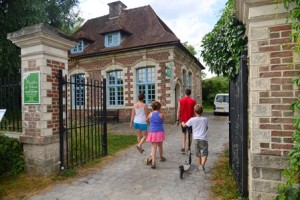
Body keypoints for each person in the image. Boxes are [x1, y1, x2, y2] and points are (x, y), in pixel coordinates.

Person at [181, 104, 208, 173]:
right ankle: (202, 165)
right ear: (202, 111)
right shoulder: (205, 119)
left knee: (198, 153)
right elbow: (206, 128)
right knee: (204, 153)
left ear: (194, 112)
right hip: (203, 138)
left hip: (196, 138)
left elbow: (185, 126)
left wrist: (182, 122)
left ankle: (199, 166)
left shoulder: (192, 119)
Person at [146, 101, 166, 169]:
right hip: (160, 131)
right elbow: (163, 120)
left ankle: (153, 162)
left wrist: (150, 122)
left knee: (153, 147)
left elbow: (147, 120)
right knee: (160, 146)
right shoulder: (161, 114)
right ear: (159, 107)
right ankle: (161, 157)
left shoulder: (150, 114)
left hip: (152, 131)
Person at [176, 88, 196, 153]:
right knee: (190, 134)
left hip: (183, 120)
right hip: (191, 120)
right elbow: (195, 111)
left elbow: (178, 110)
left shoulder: (180, 100)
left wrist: (177, 119)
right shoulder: (193, 101)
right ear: (190, 93)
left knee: (184, 133)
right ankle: (189, 148)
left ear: (185, 93)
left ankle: (183, 146)